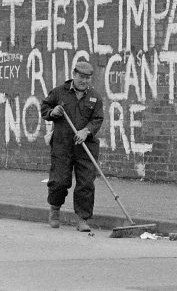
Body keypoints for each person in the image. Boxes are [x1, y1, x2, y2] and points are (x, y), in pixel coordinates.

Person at [40, 61, 104, 231]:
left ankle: (83, 219)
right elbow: (45, 107)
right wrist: (52, 113)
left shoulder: (95, 97)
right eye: (81, 77)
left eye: (87, 78)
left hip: (85, 146)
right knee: (59, 181)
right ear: (74, 75)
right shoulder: (59, 92)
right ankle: (54, 209)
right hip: (62, 144)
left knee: (86, 184)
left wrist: (86, 131)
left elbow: (97, 119)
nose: (84, 81)